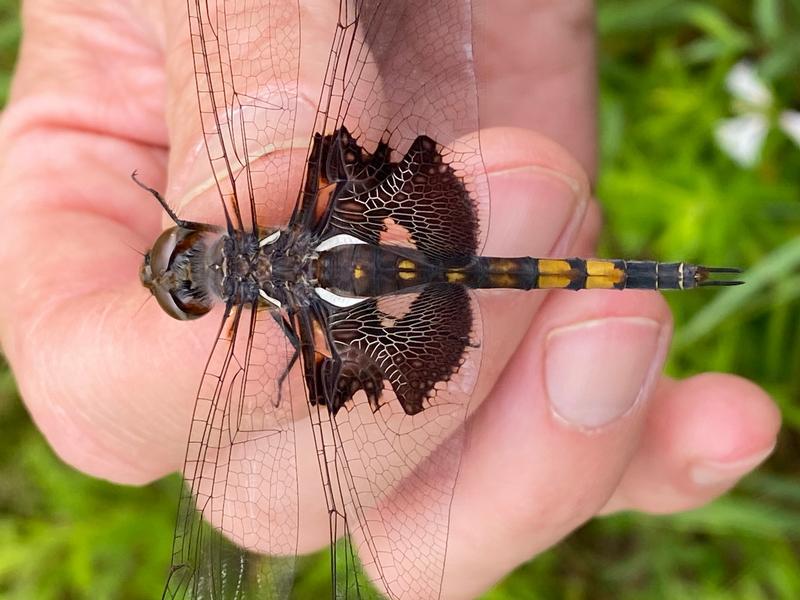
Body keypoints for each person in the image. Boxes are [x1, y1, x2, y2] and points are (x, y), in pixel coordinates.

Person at [0, 1, 780, 598]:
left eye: (188, 258)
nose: (190, 268)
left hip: (393, 256)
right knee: (314, 458)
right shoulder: (287, 278)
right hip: (385, 260)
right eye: (189, 285)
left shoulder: (281, 291)